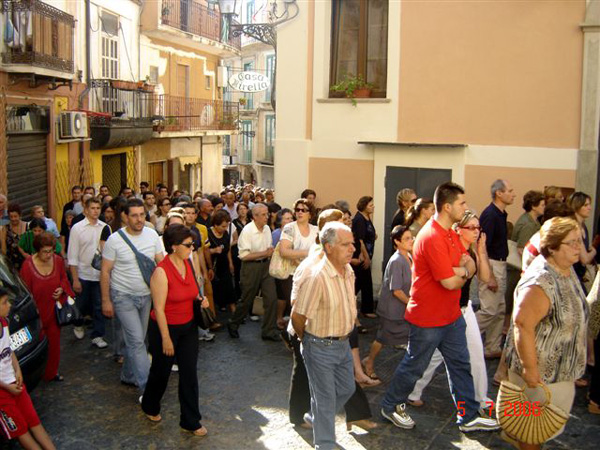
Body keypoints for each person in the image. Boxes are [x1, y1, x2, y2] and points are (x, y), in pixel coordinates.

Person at [380, 182, 499, 433]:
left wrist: (461, 269)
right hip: (428, 318)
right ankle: (390, 406)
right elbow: (449, 281)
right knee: (414, 366)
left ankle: (467, 417)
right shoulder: (432, 236)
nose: (465, 207)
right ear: (447, 206)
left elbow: (468, 263)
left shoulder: (449, 233)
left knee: (460, 365)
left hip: (452, 315)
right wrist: (462, 270)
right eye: (462, 203)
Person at [502, 217, 588, 449]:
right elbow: (522, 324)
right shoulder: (541, 280)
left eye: (579, 241)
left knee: (536, 430)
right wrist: (530, 370)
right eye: (571, 242)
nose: (578, 247)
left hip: (559, 373)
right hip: (540, 376)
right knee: (530, 431)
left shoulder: (565, 270)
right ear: (552, 247)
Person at [407, 211, 493, 409]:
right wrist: (465, 270)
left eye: (478, 228)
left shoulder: (471, 252)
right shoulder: (449, 248)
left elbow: (486, 278)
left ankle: (479, 399)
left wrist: (480, 253)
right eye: (471, 227)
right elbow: (442, 272)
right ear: (458, 229)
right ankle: (411, 391)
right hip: (442, 311)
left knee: (474, 355)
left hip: (463, 310)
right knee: (430, 356)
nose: (476, 232)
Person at [291, 222, 357, 449]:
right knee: (326, 398)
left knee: (347, 388)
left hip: (343, 344)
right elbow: (297, 316)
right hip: (319, 345)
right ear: (328, 247)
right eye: (345, 244)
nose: (352, 249)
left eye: (353, 244)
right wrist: (307, 341)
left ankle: (316, 415)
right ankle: (325, 444)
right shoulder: (316, 276)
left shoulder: (349, 271)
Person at [141, 225, 208, 436]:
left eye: (193, 244)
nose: (192, 247)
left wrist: (200, 300)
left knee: (189, 373)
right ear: (173, 246)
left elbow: (191, 293)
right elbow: (158, 309)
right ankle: (150, 405)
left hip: (188, 327)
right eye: (188, 245)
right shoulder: (161, 272)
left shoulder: (188, 263)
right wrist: (166, 338)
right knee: (161, 372)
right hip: (165, 328)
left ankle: (191, 421)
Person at [101, 199, 164, 395]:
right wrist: (106, 300)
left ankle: (128, 375)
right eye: (134, 215)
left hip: (146, 296)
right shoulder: (114, 240)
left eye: (142, 215)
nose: (139, 219)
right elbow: (105, 271)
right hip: (123, 297)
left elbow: (161, 264)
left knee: (137, 339)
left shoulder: (152, 235)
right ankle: (148, 389)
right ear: (125, 217)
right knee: (137, 341)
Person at [0, 288, 56, 450]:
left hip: (15, 383)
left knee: (34, 422)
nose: (9, 305)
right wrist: (7, 386)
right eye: (4, 303)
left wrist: (17, 371)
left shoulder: (4, 323)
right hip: (3, 392)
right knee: (21, 431)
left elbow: (9, 351)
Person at [20, 233, 74, 382]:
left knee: (55, 344)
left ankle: (51, 373)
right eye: (45, 251)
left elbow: (64, 278)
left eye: (51, 251)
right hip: (37, 313)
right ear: (38, 250)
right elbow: (25, 292)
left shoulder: (57, 261)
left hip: (54, 310)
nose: (48, 255)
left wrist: (62, 289)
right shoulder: (28, 266)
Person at [362, 225, 413, 380]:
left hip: (403, 309)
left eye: (412, 237)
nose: (411, 241)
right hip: (393, 310)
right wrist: (411, 303)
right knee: (383, 338)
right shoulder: (397, 261)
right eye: (407, 238)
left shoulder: (409, 256)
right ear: (397, 242)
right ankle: (369, 361)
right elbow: (396, 290)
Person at [227, 203, 279, 341]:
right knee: (246, 300)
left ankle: (269, 330)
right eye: (263, 215)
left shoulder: (267, 228)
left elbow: (269, 249)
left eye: (267, 214)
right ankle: (233, 324)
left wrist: (269, 253)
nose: (266, 217)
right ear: (254, 217)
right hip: (251, 267)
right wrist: (264, 253)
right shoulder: (248, 231)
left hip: (266, 266)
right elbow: (243, 255)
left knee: (271, 298)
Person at [477, 179, 516, 359]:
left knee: (499, 310)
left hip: (500, 264)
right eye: (510, 190)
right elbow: (482, 247)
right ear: (499, 193)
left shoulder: (500, 214)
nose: (513, 194)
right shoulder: (490, 215)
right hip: (492, 265)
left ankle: (492, 347)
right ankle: (460, 335)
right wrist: (490, 276)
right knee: (489, 310)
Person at [68, 198, 110, 347]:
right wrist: (75, 279)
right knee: (81, 304)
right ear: (86, 210)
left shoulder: (105, 227)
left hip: (99, 275)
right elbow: (72, 255)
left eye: (98, 208)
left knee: (99, 305)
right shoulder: (77, 228)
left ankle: (98, 335)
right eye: (92, 208)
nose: (96, 211)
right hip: (83, 274)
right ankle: (78, 323)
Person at [277, 200, 318, 329]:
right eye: (298, 210)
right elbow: (284, 251)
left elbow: (320, 251)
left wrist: (297, 254)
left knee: (308, 306)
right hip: (292, 273)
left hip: (310, 274)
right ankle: (293, 336)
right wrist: (308, 252)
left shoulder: (316, 230)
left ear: (310, 214)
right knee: (295, 306)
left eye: (304, 210)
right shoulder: (290, 228)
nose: (300, 212)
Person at [204, 210, 236, 313]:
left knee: (229, 287)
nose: (225, 228)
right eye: (222, 226)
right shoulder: (208, 233)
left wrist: (230, 263)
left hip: (224, 264)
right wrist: (213, 250)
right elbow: (204, 250)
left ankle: (233, 311)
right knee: (214, 288)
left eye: (226, 226)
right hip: (213, 266)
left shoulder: (226, 233)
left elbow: (227, 249)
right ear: (215, 224)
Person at [352, 196, 377, 318]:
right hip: (361, 255)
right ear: (364, 205)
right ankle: (358, 307)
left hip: (367, 253)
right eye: (370, 205)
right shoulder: (359, 219)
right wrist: (366, 256)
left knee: (366, 282)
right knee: (359, 281)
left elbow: (369, 233)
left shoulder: (367, 218)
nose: (373, 206)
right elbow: (360, 239)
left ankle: (367, 309)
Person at [567, 192, 597, 291]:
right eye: (585, 205)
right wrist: (594, 251)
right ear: (576, 206)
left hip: (579, 274)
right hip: (571, 275)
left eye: (589, 204)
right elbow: (584, 259)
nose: (590, 208)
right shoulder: (575, 228)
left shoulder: (583, 226)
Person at [512, 191, 545, 255]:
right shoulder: (528, 225)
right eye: (542, 205)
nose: (544, 207)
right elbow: (521, 249)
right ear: (533, 207)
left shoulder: (533, 220)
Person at [231, 202, 250, 304]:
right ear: (237, 211)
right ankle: (239, 295)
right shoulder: (234, 223)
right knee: (238, 275)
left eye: (244, 209)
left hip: (250, 251)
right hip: (237, 251)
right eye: (240, 209)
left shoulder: (251, 221)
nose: (242, 211)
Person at [0, 203, 28, 270]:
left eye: (15, 216)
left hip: (26, 262)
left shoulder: (28, 227)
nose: (13, 219)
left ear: (20, 215)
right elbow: (4, 250)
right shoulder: (5, 229)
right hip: (12, 264)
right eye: (11, 217)